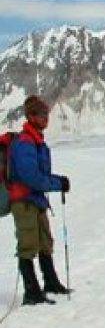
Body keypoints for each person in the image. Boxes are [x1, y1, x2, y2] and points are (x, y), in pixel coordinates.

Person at [5, 95, 71, 305]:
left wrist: (55, 182)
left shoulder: (35, 139)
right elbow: (31, 176)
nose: (46, 118)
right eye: (42, 114)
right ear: (31, 116)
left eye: (46, 114)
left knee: (44, 242)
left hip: (35, 200)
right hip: (23, 200)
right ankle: (31, 291)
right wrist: (56, 183)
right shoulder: (25, 142)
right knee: (28, 244)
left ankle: (50, 282)